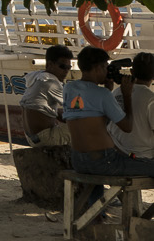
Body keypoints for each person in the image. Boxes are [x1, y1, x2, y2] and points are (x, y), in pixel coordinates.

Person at [63, 44, 154, 181]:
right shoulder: (103, 94)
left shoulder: (69, 88)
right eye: (105, 67)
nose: (107, 71)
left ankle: (93, 202)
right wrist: (126, 95)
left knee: (94, 186)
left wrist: (109, 90)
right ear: (97, 68)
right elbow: (127, 127)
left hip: (78, 160)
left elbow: (97, 120)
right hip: (105, 161)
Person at [21, 44, 72, 145]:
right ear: (49, 65)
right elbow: (77, 108)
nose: (66, 71)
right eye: (62, 66)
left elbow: (47, 111)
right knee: (85, 124)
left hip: (32, 138)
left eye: (68, 67)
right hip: (45, 138)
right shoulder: (50, 82)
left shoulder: (36, 77)